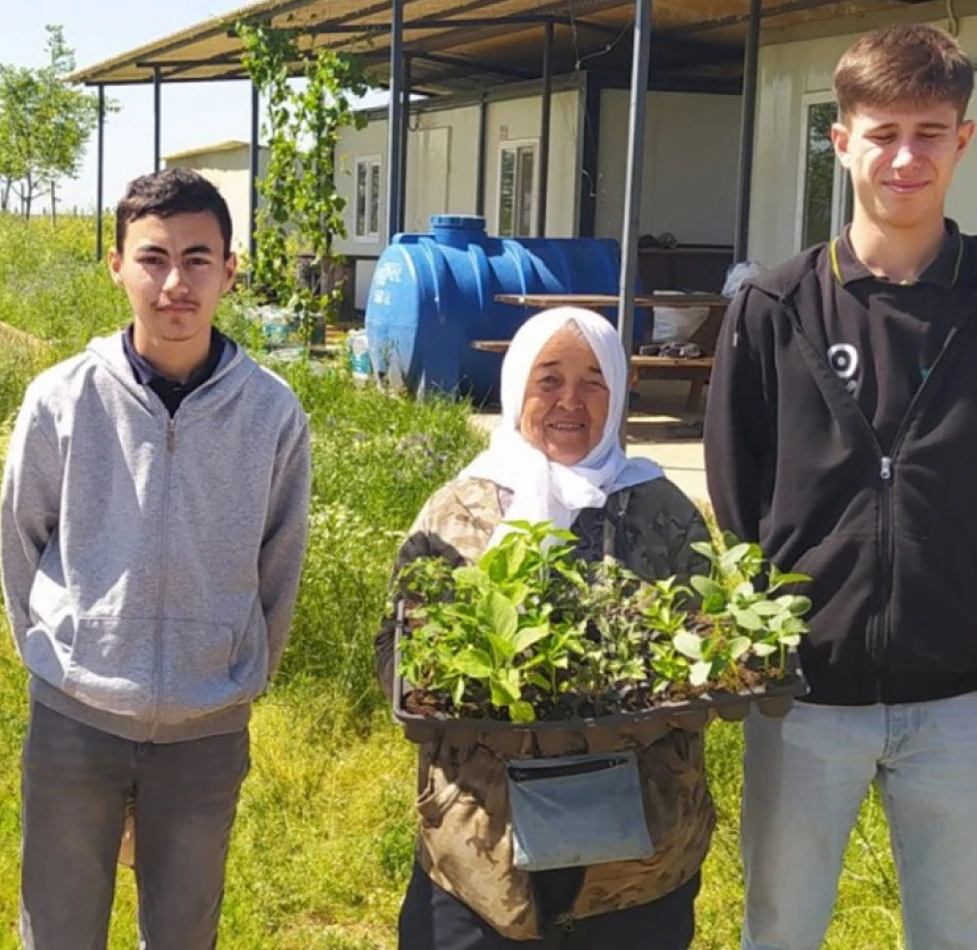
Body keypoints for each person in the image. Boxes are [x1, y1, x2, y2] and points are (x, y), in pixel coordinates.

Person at [705, 22, 977, 950]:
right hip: (805, 700)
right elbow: (737, 496)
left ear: (964, 141)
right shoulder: (774, 308)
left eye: (931, 132)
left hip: (961, 700)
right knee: (779, 929)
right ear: (840, 140)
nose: (906, 157)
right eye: (883, 132)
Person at [0, 167, 311, 949]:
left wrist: (236, 672)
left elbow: (281, 559)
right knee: (60, 928)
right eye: (152, 257)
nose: (175, 282)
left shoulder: (270, 411)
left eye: (198, 258)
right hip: (76, 717)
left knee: (183, 930)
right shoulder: (63, 399)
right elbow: (21, 539)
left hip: (207, 727)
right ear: (116, 266)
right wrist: (63, 654)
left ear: (231, 271)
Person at [376, 307, 714, 949]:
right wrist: (438, 678)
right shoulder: (460, 508)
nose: (570, 401)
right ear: (515, 390)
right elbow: (394, 644)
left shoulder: (662, 509)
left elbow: (714, 638)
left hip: (639, 856)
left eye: (593, 381)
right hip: (482, 843)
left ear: (617, 394)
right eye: (548, 379)